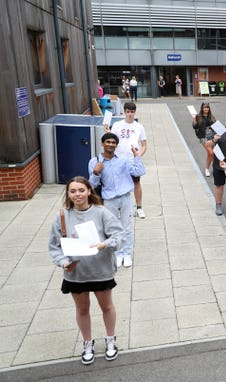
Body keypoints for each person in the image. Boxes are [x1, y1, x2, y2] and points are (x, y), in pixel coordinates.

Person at [48, 176, 125, 365]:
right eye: (73, 191)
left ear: (89, 191)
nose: (77, 195)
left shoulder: (101, 212)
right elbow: (54, 246)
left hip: (100, 270)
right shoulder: (62, 216)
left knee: (106, 307)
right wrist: (63, 262)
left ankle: (110, 340)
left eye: (81, 190)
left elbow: (119, 236)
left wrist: (103, 244)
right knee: (82, 310)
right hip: (76, 273)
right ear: (68, 194)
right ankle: (87, 343)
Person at [89, 132, 146, 268]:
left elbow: (139, 172)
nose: (110, 144)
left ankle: (127, 253)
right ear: (102, 144)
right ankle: (117, 253)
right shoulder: (94, 161)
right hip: (109, 200)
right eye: (108, 142)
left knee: (127, 227)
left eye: (113, 142)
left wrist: (137, 156)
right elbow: (92, 184)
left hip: (125, 197)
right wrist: (96, 172)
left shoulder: (123, 159)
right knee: (112, 229)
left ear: (116, 145)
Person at [107, 102, 148, 219]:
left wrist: (138, 156)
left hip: (132, 160)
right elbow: (111, 140)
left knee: (136, 183)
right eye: (128, 112)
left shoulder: (139, 127)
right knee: (118, 183)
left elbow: (144, 145)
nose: (130, 114)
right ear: (124, 112)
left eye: (132, 112)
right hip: (118, 159)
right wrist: (107, 131)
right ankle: (119, 209)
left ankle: (139, 207)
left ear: (135, 112)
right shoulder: (117, 125)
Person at [192, 102, 215, 177]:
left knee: (209, 154)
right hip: (202, 137)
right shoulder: (198, 116)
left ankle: (207, 169)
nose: (206, 109)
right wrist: (194, 119)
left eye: (207, 107)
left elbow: (215, 126)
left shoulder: (211, 116)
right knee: (211, 153)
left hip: (211, 136)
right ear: (202, 108)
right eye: (205, 107)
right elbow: (195, 127)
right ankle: (214, 167)